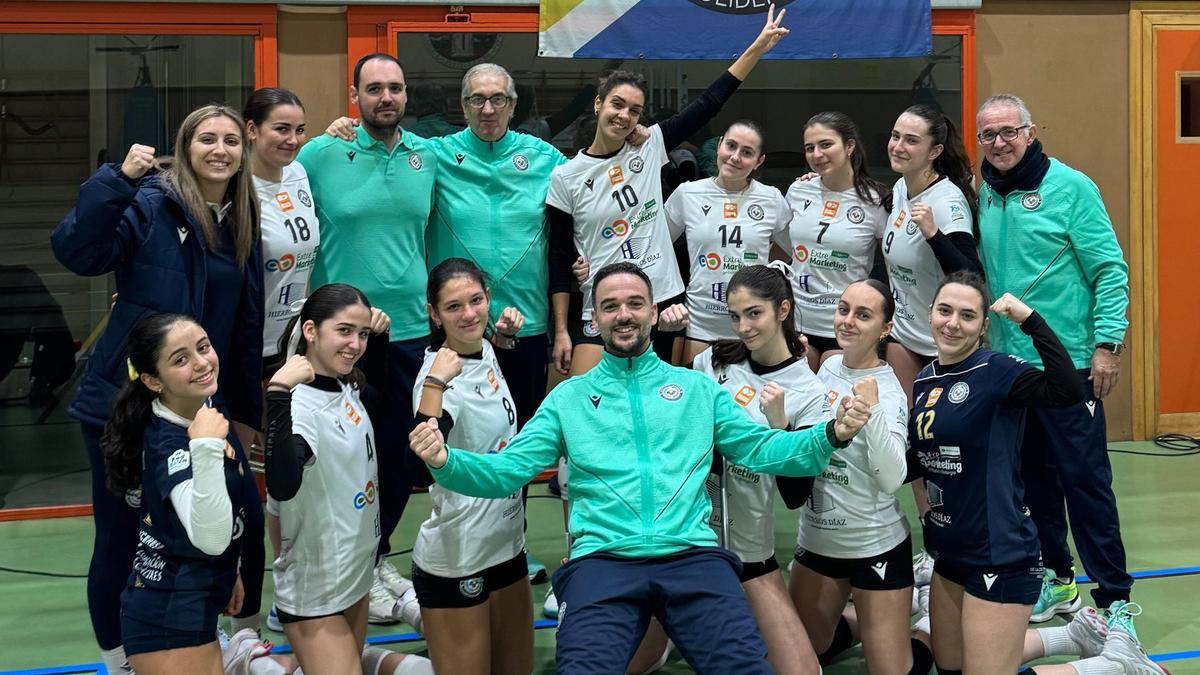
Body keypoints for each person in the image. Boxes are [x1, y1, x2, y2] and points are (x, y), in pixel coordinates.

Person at [408, 261, 873, 674]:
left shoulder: (697, 390)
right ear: (594, 319)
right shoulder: (567, 399)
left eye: (635, 304)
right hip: (602, 563)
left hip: (692, 557)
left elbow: (763, 448)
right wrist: (445, 461)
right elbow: (506, 471)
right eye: (610, 306)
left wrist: (830, 433)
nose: (623, 314)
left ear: (653, 312)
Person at [51, 104, 264, 674]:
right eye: (206, 140)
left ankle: (224, 641)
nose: (220, 150)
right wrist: (114, 180)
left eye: (230, 141)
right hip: (125, 405)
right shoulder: (148, 202)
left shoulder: (242, 218)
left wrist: (243, 412)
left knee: (226, 524)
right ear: (185, 146)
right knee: (123, 541)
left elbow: (246, 325)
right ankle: (119, 661)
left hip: (201, 406)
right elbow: (77, 251)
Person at [547, 5, 790, 377]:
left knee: (662, 400)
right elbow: (560, 260)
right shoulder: (566, 176)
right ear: (597, 105)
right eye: (616, 104)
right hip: (603, 301)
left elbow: (709, 104)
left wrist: (756, 48)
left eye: (634, 110)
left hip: (662, 301)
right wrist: (562, 330)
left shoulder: (650, 145)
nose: (624, 115)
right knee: (586, 400)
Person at [975, 93, 1135, 629]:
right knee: (1032, 485)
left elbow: (1110, 271)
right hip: (1013, 371)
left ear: (1030, 131)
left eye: (1008, 132)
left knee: (1085, 486)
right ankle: (1059, 580)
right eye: (988, 135)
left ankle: (1115, 603)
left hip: (1070, 369)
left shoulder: (1071, 187)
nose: (999, 143)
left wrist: (1107, 346)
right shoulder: (987, 192)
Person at [297, 52, 437, 620]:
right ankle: (327, 572)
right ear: (354, 97)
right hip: (341, 338)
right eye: (374, 88)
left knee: (403, 458)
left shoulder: (427, 156)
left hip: (406, 333)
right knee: (342, 461)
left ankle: (374, 558)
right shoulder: (321, 153)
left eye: (396, 88)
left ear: (407, 97)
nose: (387, 97)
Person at [907, 272, 1084, 674]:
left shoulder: (996, 370)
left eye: (967, 316)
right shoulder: (924, 379)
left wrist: (1030, 320)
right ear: (930, 313)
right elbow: (920, 459)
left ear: (984, 326)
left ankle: (1106, 668)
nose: (953, 323)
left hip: (1001, 555)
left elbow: (1067, 390)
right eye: (945, 311)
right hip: (949, 555)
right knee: (949, 666)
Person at [264, 283, 431, 675]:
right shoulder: (300, 405)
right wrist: (276, 393)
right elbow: (282, 486)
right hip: (316, 589)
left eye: (362, 334)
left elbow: (378, 397)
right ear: (310, 331)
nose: (355, 344)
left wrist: (382, 340)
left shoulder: (344, 385)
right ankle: (253, 663)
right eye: (344, 331)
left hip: (356, 575)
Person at [100, 314, 261, 675]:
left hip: (195, 601)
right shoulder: (173, 444)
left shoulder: (202, 409)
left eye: (203, 347)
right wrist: (204, 446)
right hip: (169, 621)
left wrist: (228, 571)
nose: (202, 362)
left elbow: (213, 512)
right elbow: (211, 538)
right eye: (181, 359)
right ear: (152, 381)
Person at [789, 279, 933, 674]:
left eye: (863, 315)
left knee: (891, 670)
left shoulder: (887, 393)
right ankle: (866, 625)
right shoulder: (828, 366)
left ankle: (929, 625)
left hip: (874, 545)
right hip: (817, 541)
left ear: (885, 330)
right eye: (843, 309)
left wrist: (868, 418)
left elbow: (892, 479)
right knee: (804, 652)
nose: (848, 321)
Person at [692, 263, 826, 675]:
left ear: (782, 310)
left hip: (749, 554)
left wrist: (780, 427)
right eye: (735, 316)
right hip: (687, 544)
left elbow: (795, 496)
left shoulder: (808, 391)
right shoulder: (711, 363)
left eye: (754, 313)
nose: (744, 327)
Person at [407, 258, 532, 674]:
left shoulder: (487, 349)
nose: (469, 314)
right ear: (433, 313)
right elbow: (425, 448)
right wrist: (435, 383)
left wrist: (507, 339)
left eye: (476, 300)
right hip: (459, 557)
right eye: (454, 307)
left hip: (508, 545)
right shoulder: (436, 377)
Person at [667, 121, 792, 365]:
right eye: (731, 146)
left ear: (759, 161)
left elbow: (794, 249)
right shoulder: (687, 194)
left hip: (754, 324)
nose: (735, 157)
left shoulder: (771, 198)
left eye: (747, 153)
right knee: (698, 398)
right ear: (719, 145)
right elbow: (658, 245)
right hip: (701, 321)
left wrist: (766, 272)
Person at [883, 104, 982, 402]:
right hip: (904, 335)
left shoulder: (946, 202)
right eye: (895, 136)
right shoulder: (901, 186)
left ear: (934, 151)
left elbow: (972, 277)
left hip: (942, 342)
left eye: (911, 140)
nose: (898, 146)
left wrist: (933, 234)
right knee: (906, 430)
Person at [786, 112, 891, 370]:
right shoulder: (798, 190)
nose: (817, 154)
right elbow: (782, 249)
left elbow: (893, 264)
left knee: (837, 406)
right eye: (810, 148)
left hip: (848, 325)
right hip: (797, 322)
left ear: (850, 146)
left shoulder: (877, 200)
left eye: (825, 144)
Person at [244, 87, 319, 379]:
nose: (293, 140)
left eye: (299, 130)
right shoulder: (236, 188)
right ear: (252, 129)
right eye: (281, 129)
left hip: (297, 339)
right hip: (252, 345)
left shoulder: (299, 172)